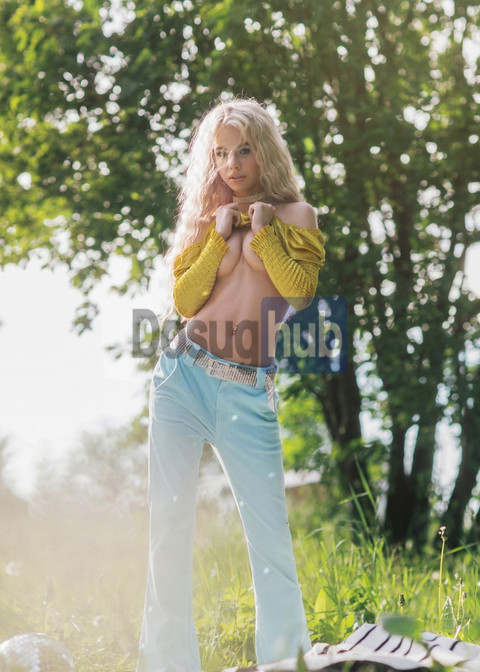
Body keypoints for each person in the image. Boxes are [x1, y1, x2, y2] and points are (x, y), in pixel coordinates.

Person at [136, 97, 326, 672]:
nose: (232, 164)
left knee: (270, 541)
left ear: (264, 150)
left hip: (246, 389)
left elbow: (299, 294)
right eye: (220, 153)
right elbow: (185, 301)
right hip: (182, 376)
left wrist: (263, 233)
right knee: (168, 529)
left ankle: (286, 664)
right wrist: (218, 237)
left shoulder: (297, 216)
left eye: (243, 150)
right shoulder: (205, 218)